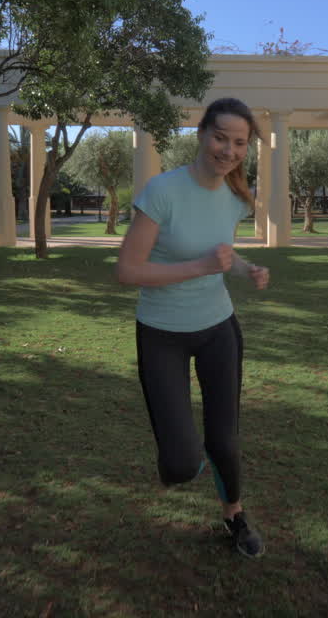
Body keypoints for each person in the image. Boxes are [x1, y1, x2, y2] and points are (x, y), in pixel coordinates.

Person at [116, 97, 271, 558]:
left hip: (218, 329)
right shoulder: (162, 191)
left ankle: (235, 514)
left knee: (225, 438)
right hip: (161, 332)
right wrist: (202, 266)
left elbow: (221, 253)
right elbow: (128, 270)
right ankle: (181, 462)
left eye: (239, 143)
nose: (228, 150)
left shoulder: (236, 198)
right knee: (182, 464)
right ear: (202, 134)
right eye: (221, 137)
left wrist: (246, 270)